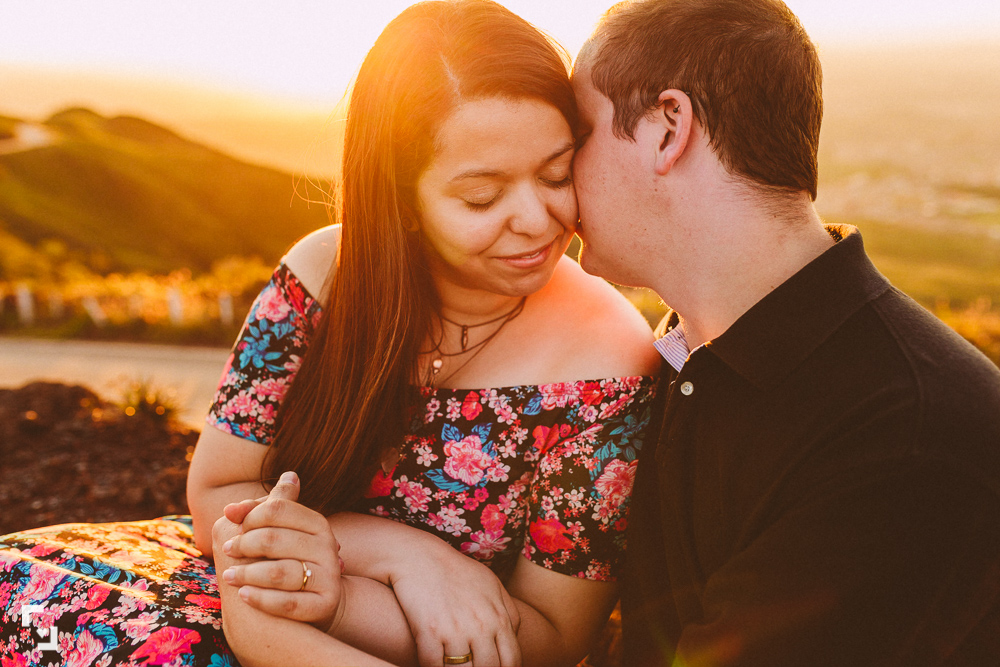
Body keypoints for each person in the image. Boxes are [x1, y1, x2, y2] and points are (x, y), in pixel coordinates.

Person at [0, 2, 659, 666]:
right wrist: (404, 556)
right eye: (482, 197)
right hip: (232, 588)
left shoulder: (608, 362)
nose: (536, 220)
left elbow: (552, 638)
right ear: (402, 198)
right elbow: (218, 495)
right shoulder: (322, 279)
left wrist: (331, 597)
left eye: (555, 174)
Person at [568, 0, 1000, 665]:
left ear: (667, 128)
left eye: (578, 132)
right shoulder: (686, 357)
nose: (558, 172)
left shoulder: (909, 435)